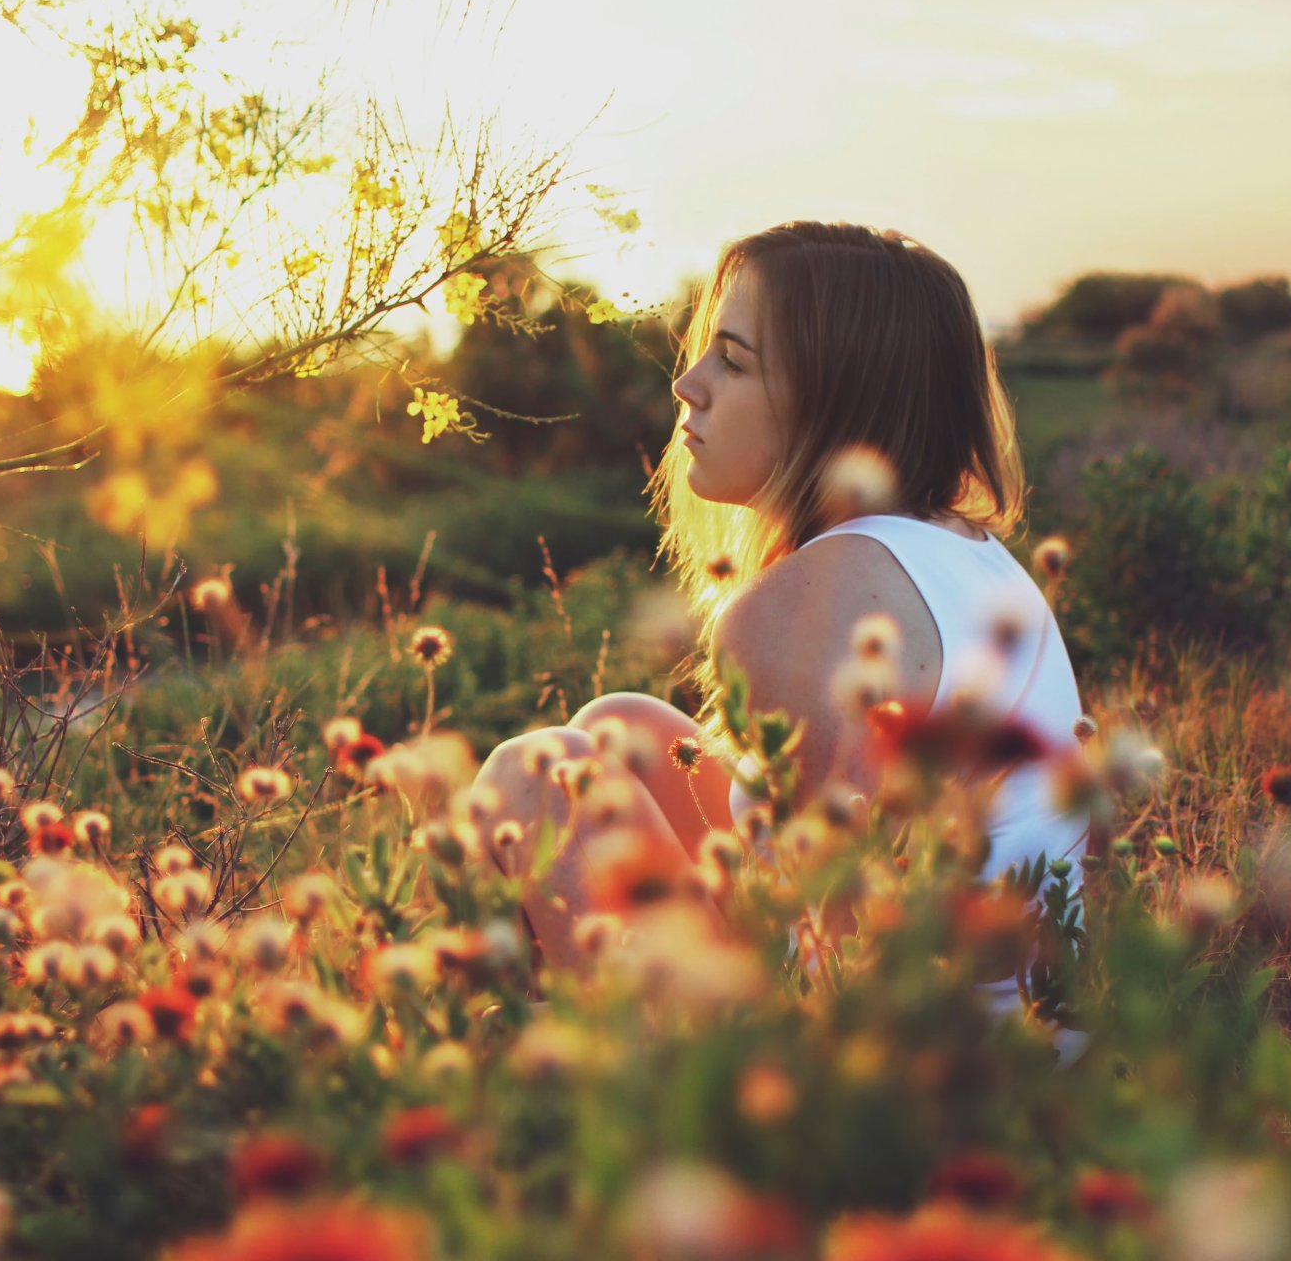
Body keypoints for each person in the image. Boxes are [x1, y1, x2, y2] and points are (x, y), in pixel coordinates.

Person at [466, 221, 1091, 1057]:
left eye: (733, 359)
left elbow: (848, 959)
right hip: (1030, 1040)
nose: (688, 384)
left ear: (836, 400)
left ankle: (600, 1113)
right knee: (626, 728)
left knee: (534, 774)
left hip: (929, 1094)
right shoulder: (961, 552)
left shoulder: (806, 610)